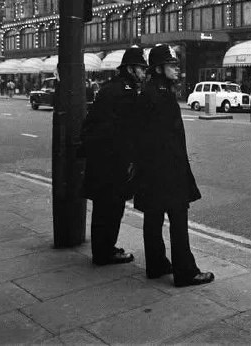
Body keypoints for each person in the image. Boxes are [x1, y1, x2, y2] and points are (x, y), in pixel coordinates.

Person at [134, 44, 214, 287]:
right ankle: (185, 271)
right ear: (158, 68)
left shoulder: (149, 91)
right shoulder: (162, 95)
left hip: (151, 169)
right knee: (178, 218)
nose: (176, 69)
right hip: (168, 168)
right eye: (171, 65)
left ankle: (156, 264)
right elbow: (168, 138)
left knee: (154, 215)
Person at [80, 46, 147, 266]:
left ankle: (104, 248)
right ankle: (105, 252)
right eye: (141, 68)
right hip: (112, 161)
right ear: (130, 68)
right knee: (111, 208)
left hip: (102, 159)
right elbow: (125, 131)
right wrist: (129, 160)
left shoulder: (111, 87)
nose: (143, 72)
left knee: (103, 208)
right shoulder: (125, 92)